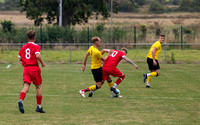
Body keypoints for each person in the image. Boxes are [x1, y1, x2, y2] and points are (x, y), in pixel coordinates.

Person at [18, 30, 45, 113]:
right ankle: (38, 106)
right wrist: (42, 63)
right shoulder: (36, 46)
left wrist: (26, 60)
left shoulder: (23, 47)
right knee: (38, 87)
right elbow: (37, 55)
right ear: (34, 37)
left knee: (26, 86)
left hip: (26, 69)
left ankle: (21, 100)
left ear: (27, 37)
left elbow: (19, 58)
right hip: (34, 68)